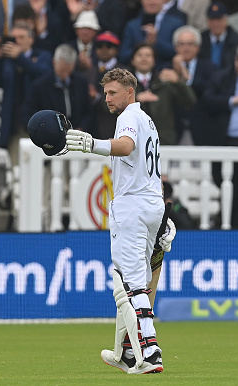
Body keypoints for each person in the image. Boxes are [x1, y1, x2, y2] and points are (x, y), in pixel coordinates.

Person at [64, 68, 166, 374]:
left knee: (130, 284)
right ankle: (126, 353)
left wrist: (90, 143)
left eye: (112, 93)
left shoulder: (128, 118)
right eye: (105, 93)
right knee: (136, 280)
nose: (107, 98)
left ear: (129, 92)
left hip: (131, 207)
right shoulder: (148, 120)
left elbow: (125, 147)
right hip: (151, 204)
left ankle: (149, 350)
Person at [202, 41, 238, 228]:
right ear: (237, 62)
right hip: (229, 142)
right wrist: (234, 100)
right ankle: (232, 228)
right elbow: (207, 101)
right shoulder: (222, 78)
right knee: (232, 190)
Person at [0, 22, 52, 164]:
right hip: (14, 123)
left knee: (37, 166)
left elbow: (45, 75)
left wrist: (21, 58)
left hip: (37, 122)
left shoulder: (42, 56)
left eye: (21, 37)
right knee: (16, 168)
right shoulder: (7, 61)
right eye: (14, 37)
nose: (16, 41)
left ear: (31, 39)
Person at [130, 42, 196, 145]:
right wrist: (135, 99)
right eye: (139, 55)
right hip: (133, 141)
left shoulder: (165, 82)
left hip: (163, 141)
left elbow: (189, 101)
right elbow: (108, 105)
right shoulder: (124, 83)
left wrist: (178, 82)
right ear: (132, 61)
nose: (144, 58)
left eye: (148, 55)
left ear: (154, 61)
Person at [23, 44, 91, 132]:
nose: (65, 75)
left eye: (68, 71)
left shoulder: (81, 82)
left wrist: (82, 127)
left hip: (76, 135)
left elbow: (88, 110)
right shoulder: (40, 85)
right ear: (54, 62)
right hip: (50, 135)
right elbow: (28, 113)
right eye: (62, 70)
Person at [171, 25, 217, 146]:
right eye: (181, 44)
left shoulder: (210, 68)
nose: (186, 48)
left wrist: (186, 78)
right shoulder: (167, 69)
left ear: (198, 47)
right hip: (175, 129)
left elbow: (208, 92)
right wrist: (176, 73)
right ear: (175, 47)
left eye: (190, 44)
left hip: (202, 128)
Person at [119, 0, 185, 69]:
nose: (152, 2)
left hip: (165, 71)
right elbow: (123, 56)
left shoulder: (176, 23)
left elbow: (179, 52)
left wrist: (156, 41)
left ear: (164, 1)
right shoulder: (132, 25)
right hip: (136, 73)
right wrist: (143, 45)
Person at [199, 2, 238, 70]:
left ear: (226, 20)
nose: (216, 24)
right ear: (207, 21)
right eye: (212, 19)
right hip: (205, 78)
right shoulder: (200, 40)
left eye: (219, 19)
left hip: (228, 79)